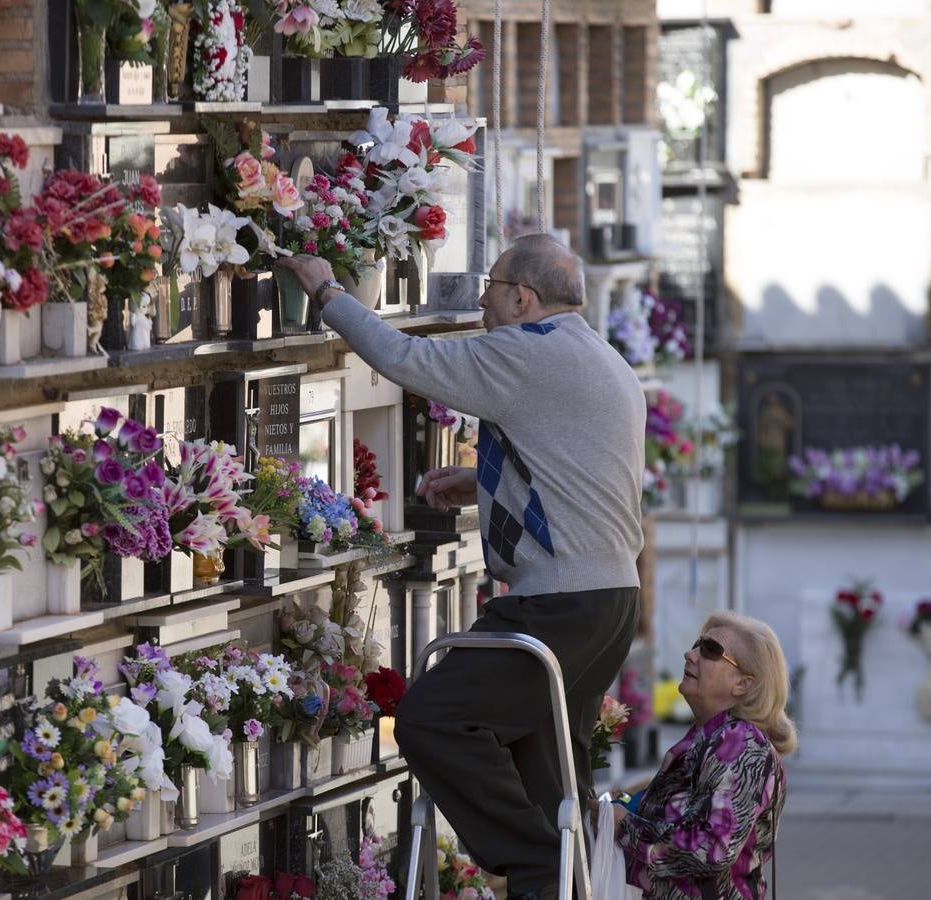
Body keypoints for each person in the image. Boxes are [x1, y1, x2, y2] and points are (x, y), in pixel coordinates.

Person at [278, 234, 646, 900]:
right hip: (609, 598)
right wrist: (483, 483)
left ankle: (528, 862)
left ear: (521, 297)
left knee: (430, 718)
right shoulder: (600, 358)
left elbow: (406, 357)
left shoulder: (527, 351)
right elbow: (581, 480)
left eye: (491, 284)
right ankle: (552, 879)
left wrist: (327, 290)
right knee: (550, 779)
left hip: (557, 602)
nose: (480, 298)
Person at [601, 612, 795, 900]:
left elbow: (710, 847)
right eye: (696, 644)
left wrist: (623, 825)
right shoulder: (708, 737)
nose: (690, 655)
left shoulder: (739, 742)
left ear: (743, 684)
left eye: (710, 650)